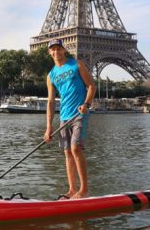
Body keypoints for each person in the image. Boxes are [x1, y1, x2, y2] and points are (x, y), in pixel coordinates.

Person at [43, 38, 96, 199]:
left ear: (63, 50)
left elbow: (92, 86)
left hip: (79, 114)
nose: (56, 52)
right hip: (64, 116)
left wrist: (86, 104)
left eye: (58, 48)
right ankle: (72, 189)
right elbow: (51, 101)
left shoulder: (76, 64)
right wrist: (48, 127)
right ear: (49, 53)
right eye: (53, 49)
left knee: (75, 148)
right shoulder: (51, 75)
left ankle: (84, 190)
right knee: (67, 153)